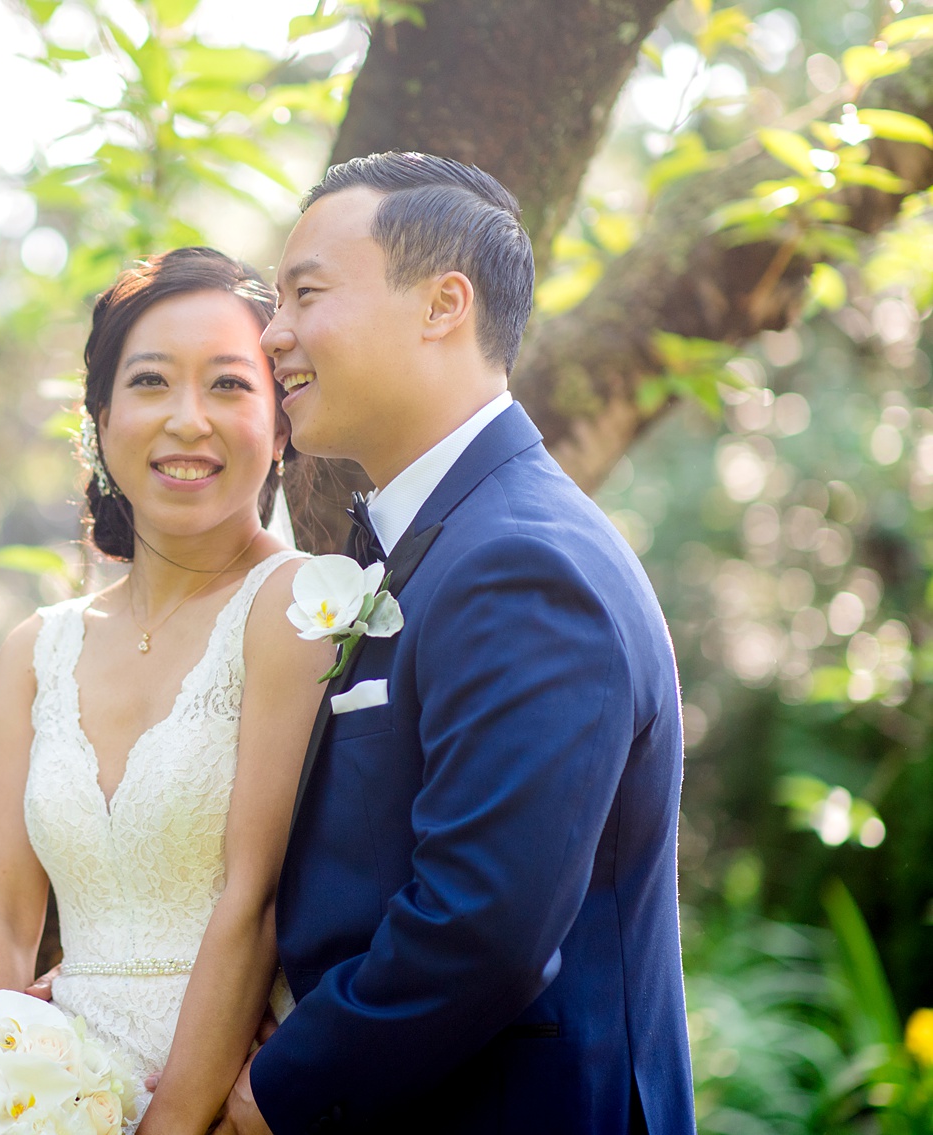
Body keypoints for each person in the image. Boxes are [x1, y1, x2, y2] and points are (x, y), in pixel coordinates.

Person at [208, 153, 697, 1135]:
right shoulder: (437, 541)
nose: (270, 334)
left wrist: (278, 1086)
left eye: (306, 293)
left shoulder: (522, 563)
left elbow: (481, 925)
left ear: (441, 305)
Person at [0, 247, 334, 1133]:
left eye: (231, 386)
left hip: (229, 1099)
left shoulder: (295, 608)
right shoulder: (32, 652)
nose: (187, 420)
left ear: (281, 426)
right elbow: (0, 921)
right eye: (152, 382)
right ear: (99, 418)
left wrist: (170, 1122)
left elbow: (255, 899)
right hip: (58, 1095)